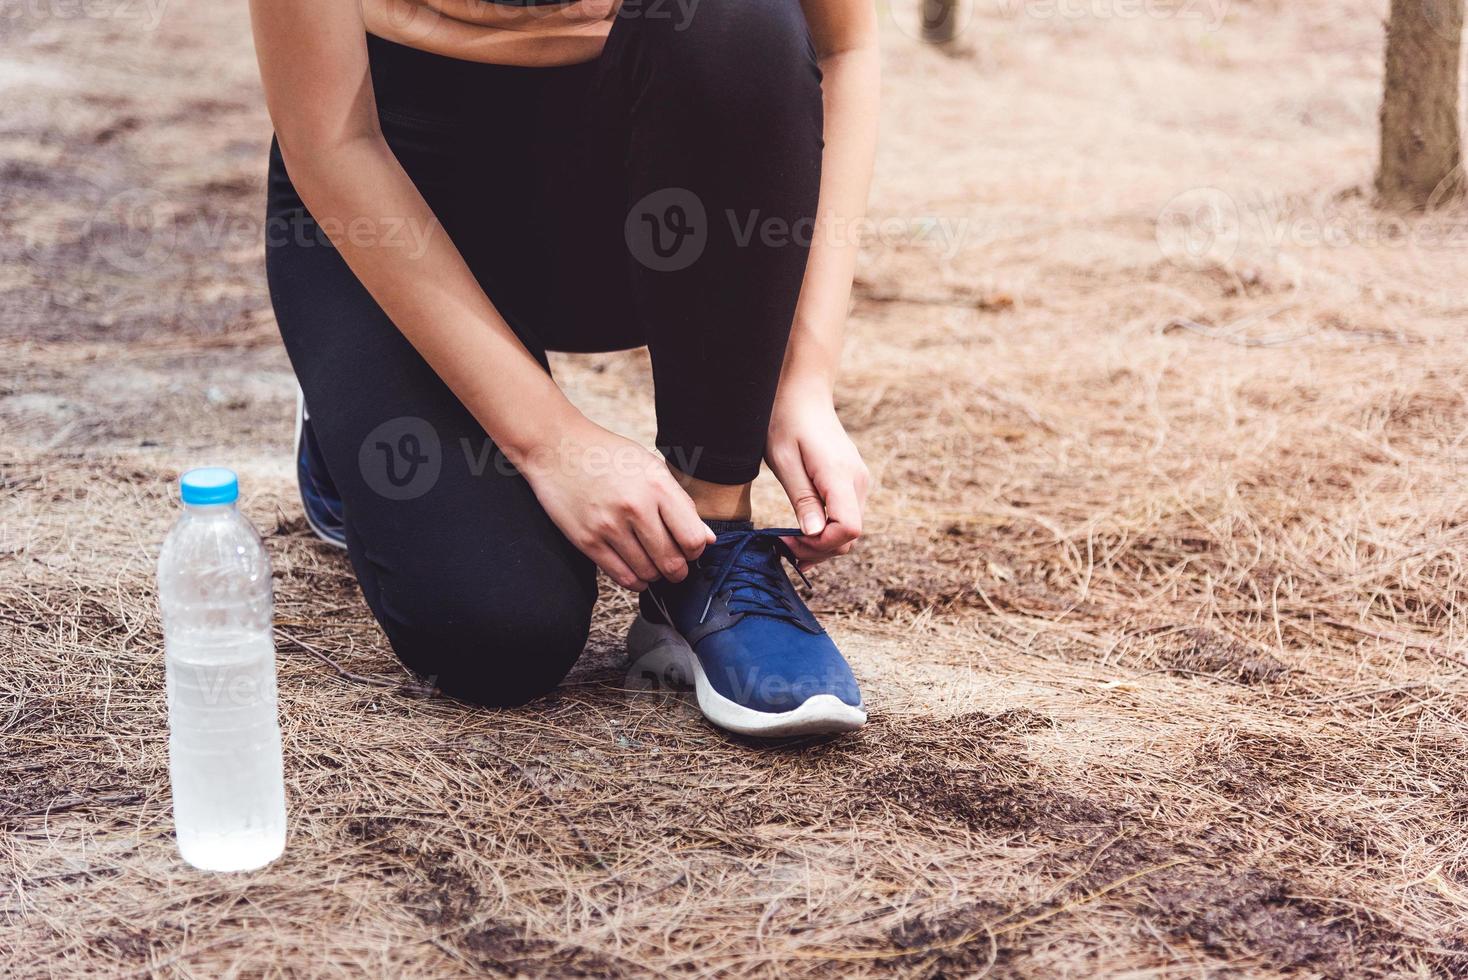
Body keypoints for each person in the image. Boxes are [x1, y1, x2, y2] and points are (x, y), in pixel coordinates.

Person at [250, 0, 879, 736]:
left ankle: (712, 545)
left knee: (737, 15)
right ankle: (347, 410)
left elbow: (846, 47)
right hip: (397, 192)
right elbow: (331, 140)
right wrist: (549, 443)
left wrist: (799, 377)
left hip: (644, 191)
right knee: (500, 634)